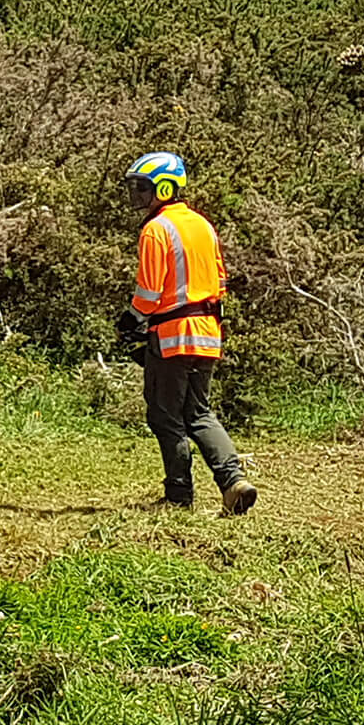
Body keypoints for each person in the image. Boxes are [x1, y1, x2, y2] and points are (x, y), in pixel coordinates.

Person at [117, 152, 258, 515]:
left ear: (164, 188)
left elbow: (149, 292)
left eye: (142, 188)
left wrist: (130, 321)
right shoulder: (203, 225)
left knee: (166, 417)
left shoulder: (156, 229)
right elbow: (220, 280)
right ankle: (233, 481)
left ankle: (179, 497)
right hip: (208, 334)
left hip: (171, 335)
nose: (137, 196)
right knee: (199, 413)